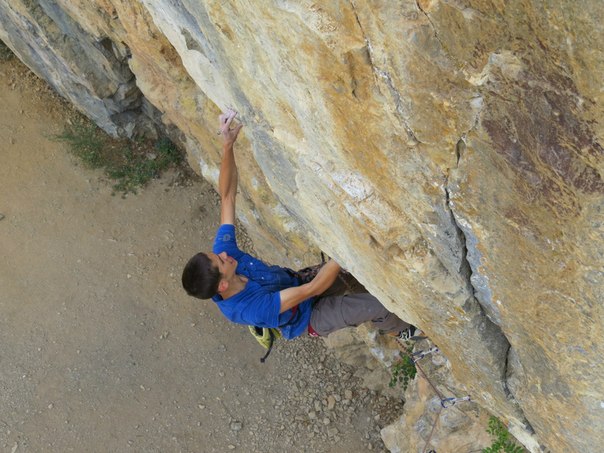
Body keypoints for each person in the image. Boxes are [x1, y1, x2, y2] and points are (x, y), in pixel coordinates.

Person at [182, 108, 414, 341]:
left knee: (356, 274)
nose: (223, 253)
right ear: (222, 286)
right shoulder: (250, 309)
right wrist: (346, 250)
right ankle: (402, 330)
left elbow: (227, 197)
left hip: (299, 282)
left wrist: (227, 145)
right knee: (380, 305)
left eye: (216, 254)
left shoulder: (225, 258)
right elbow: (311, 291)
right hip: (310, 316)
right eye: (220, 260)